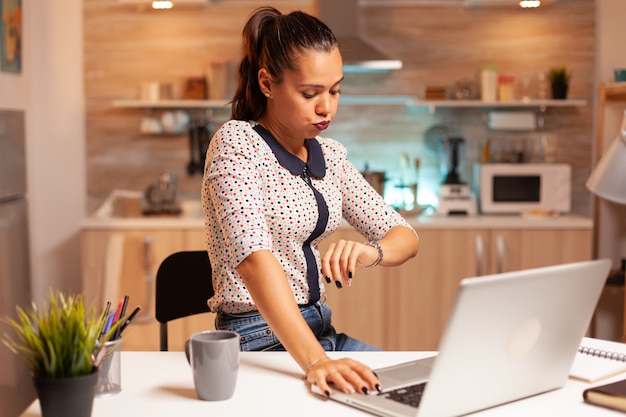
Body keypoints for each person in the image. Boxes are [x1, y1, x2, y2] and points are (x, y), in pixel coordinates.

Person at [201, 6, 419, 397]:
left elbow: (405, 235)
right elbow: (253, 259)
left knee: (413, 391)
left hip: (320, 332)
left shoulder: (329, 156)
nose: (326, 107)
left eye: (334, 90)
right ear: (267, 83)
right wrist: (317, 361)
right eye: (310, 93)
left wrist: (371, 252)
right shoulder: (237, 144)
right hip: (257, 341)